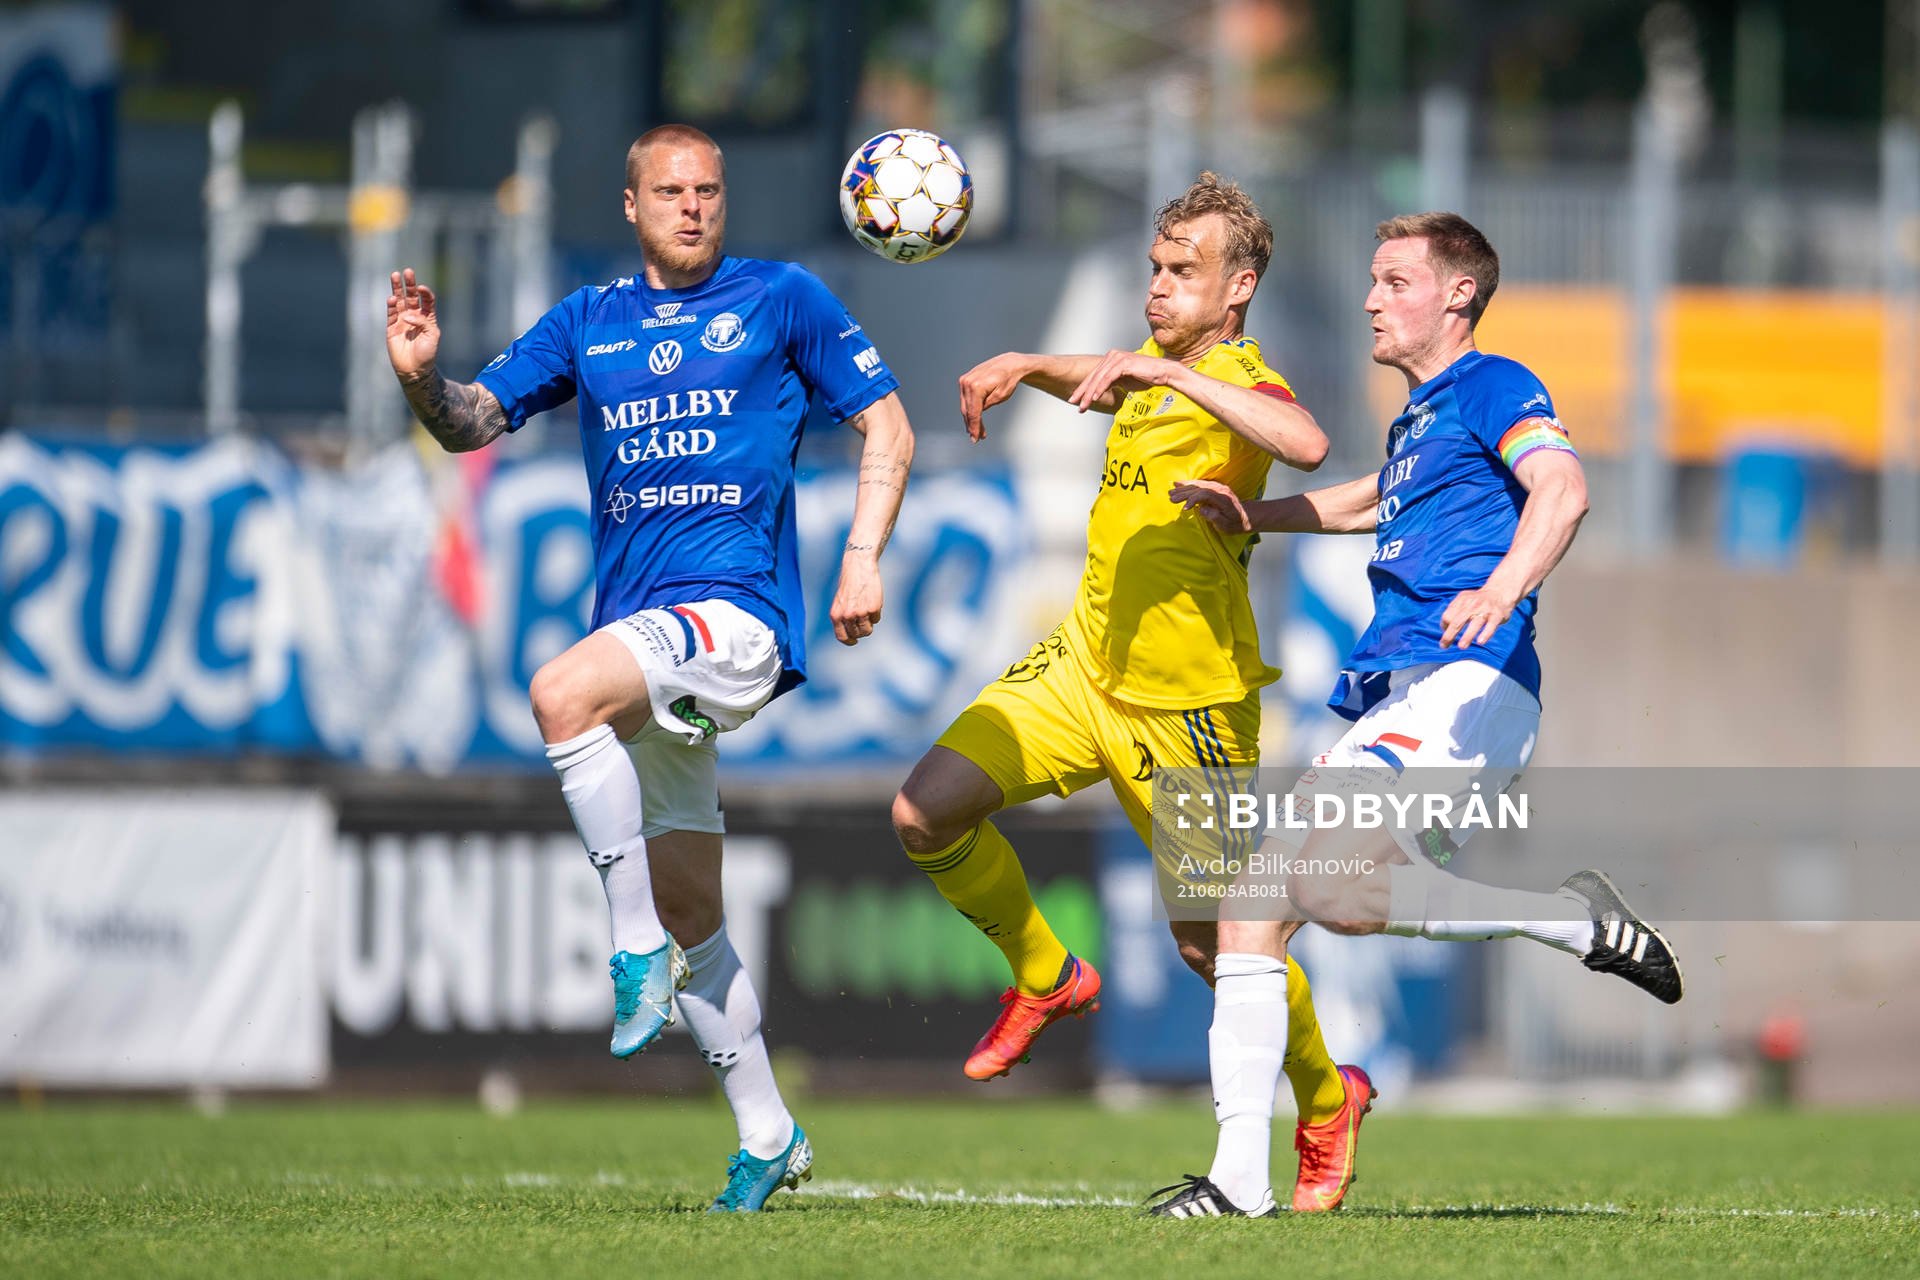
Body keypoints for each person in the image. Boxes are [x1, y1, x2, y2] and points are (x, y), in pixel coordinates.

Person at [384, 124, 915, 1213]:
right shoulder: (591, 319)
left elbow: (889, 425)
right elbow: (473, 423)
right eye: (669, 191)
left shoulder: (783, 297)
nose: (692, 207)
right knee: (696, 913)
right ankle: (769, 1132)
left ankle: (629, 954)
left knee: (557, 692)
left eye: (708, 190)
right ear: (631, 205)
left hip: (736, 618)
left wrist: (862, 555)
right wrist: (424, 377)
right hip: (648, 644)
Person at [1159, 210, 1682, 1218]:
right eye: (1371, 278)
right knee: (1281, 904)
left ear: (1457, 295)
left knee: (1294, 881)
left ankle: (1236, 1186)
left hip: (1467, 681)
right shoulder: (1422, 420)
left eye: (1394, 279)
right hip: (1407, 687)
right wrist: (1252, 514)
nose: (1370, 298)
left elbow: (1562, 489)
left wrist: (1506, 589)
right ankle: (1237, 1181)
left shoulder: (1495, 384)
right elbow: (1367, 498)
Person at [891, 173, 1373, 1216]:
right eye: (1154, 268)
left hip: (1187, 708)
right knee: (924, 810)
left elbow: (1306, 443)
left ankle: (1331, 1098)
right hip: (1081, 668)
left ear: (1237, 286)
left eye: (1181, 272)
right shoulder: (1155, 363)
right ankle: (1046, 971)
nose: (1156, 287)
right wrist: (1026, 365)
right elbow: (1111, 379)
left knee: (1216, 944)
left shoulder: (1241, 379)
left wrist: (1178, 383)